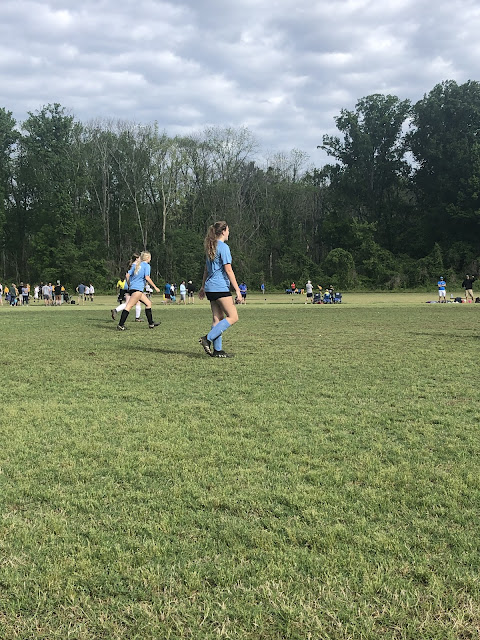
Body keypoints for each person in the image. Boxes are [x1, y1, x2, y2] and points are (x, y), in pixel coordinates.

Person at [198, 221, 241, 358]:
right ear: (223, 231)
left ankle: (218, 351)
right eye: (228, 230)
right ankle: (207, 338)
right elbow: (228, 270)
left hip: (211, 288)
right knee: (233, 317)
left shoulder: (211, 246)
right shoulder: (223, 247)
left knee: (218, 319)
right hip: (220, 287)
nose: (229, 233)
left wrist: (203, 286)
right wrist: (238, 291)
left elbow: (206, 269)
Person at [117, 251, 161, 330]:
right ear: (147, 258)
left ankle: (151, 324)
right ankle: (120, 325)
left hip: (133, 289)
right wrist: (155, 287)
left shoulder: (136, 264)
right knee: (129, 306)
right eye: (150, 258)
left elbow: (127, 275)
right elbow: (147, 277)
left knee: (148, 303)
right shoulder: (146, 266)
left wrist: (129, 284)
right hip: (137, 289)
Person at [111, 254, 143, 322]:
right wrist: (130, 285)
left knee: (130, 303)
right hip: (131, 287)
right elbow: (128, 276)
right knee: (134, 303)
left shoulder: (132, 266)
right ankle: (137, 318)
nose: (140, 259)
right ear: (136, 258)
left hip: (128, 287)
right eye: (139, 258)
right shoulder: (134, 266)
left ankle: (116, 310)